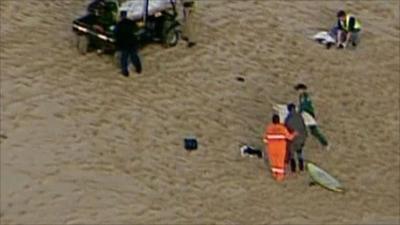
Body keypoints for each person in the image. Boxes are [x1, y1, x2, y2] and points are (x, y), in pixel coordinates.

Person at [294, 83, 329, 149]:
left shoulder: (305, 96)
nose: (298, 92)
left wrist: (299, 111)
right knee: (313, 131)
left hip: (307, 115)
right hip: (306, 115)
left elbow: (304, 105)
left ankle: (325, 143)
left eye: (299, 90)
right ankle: (325, 143)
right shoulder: (302, 96)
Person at [264, 114, 297, 181]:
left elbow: (265, 140)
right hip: (280, 148)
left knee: (273, 161)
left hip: (271, 148)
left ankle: (274, 173)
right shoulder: (282, 128)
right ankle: (279, 176)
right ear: (279, 120)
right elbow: (290, 137)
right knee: (280, 162)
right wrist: (294, 133)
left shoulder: (269, 128)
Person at [114, 11, 142, 77]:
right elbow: (137, 30)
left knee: (124, 57)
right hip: (132, 41)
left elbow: (116, 33)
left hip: (124, 43)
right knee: (134, 56)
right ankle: (138, 68)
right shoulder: (131, 22)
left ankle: (125, 71)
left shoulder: (119, 24)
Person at [285, 103, 307, 173]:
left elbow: (286, 129)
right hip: (300, 138)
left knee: (292, 155)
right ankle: (301, 167)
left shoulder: (288, 118)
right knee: (299, 153)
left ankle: (293, 169)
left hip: (293, 139)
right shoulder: (300, 116)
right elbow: (304, 128)